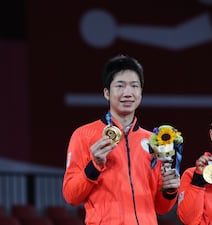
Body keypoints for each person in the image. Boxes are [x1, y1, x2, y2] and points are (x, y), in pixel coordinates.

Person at [62, 54, 180, 225]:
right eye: (120, 86)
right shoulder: (83, 135)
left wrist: (169, 191)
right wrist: (94, 165)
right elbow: (71, 196)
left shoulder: (154, 141)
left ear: (141, 92)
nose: (128, 93)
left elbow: (161, 208)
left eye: (134, 86)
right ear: (106, 93)